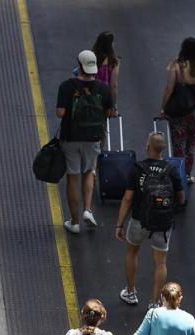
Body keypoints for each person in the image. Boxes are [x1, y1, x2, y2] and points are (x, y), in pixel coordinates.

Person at [114, 132, 184, 307]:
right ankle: (154, 303)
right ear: (163, 149)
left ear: (148, 147)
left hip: (139, 220)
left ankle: (130, 292)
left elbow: (128, 198)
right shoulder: (172, 169)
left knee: (132, 252)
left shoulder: (138, 168)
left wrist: (119, 224)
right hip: (163, 223)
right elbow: (181, 197)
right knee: (161, 262)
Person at [56, 50, 116, 234]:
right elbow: (109, 113)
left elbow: (60, 113)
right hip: (93, 137)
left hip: (71, 137)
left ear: (79, 65)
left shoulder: (67, 86)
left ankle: (74, 222)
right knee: (89, 171)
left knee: (72, 177)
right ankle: (88, 210)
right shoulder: (103, 88)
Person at [160, 37, 195, 186]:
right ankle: (187, 174)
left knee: (178, 144)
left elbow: (169, 88)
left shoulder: (178, 66)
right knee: (191, 143)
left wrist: (163, 107)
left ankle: (178, 174)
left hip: (180, 111)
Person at [91, 31, 120, 104]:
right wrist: (114, 106)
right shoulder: (113, 61)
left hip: (90, 95)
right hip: (104, 97)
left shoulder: (91, 56)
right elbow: (113, 85)